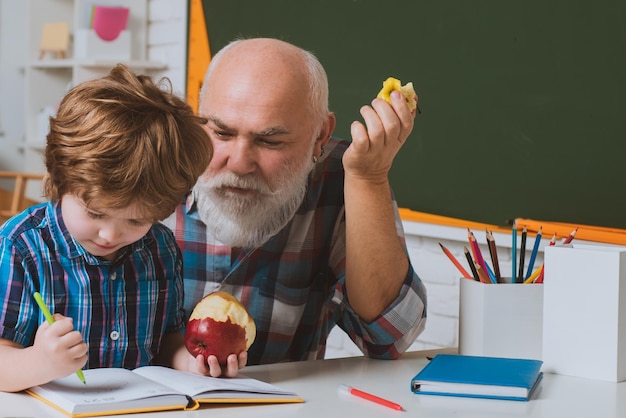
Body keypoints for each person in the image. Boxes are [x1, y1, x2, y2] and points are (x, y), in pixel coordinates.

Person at [163, 38, 428, 378]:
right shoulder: (155, 160)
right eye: (222, 133)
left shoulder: (348, 174)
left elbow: (389, 338)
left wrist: (370, 179)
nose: (240, 163)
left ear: (321, 136)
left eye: (270, 140)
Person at [0, 64, 214, 392]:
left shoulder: (161, 248)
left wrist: (190, 362)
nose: (111, 235)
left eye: (136, 221)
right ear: (60, 179)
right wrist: (40, 362)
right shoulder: (22, 247)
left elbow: (167, 339)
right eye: (95, 213)